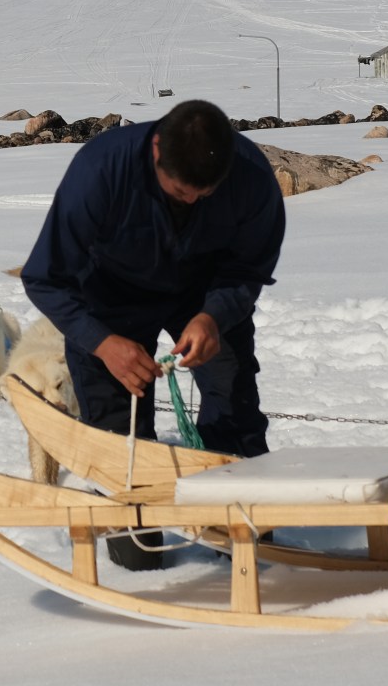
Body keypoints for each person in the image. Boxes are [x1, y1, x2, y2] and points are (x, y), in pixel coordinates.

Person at [21, 98, 284, 460]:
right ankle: (128, 491)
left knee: (233, 408)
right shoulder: (100, 170)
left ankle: (234, 490)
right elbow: (45, 277)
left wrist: (214, 316)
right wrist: (102, 343)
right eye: (180, 191)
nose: (191, 201)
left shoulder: (251, 175)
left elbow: (250, 266)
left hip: (206, 289)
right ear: (157, 149)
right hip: (111, 293)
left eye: (205, 194)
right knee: (117, 440)